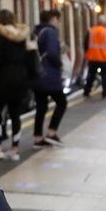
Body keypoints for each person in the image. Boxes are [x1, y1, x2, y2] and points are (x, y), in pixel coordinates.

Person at [0, 9, 30, 161]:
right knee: (16, 115)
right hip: (20, 79)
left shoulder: (0, 36)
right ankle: (15, 150)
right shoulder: (22, 36)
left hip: (3, 80)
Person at [32, 9, 67, 148]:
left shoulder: (36, 31)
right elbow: (52, 53)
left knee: (41, 106)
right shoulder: (51, 32)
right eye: (58, 20)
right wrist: (60, 64)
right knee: (62, 102)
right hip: (49, 75)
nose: (58, 23)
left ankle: (37, 138)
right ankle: (52, 133)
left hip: (37, 75)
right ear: (53, 18)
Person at [83, 15, 106, 98]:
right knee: (104, 76)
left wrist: (87, 53)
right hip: (104, 58)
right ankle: (105, 92)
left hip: (93, 58)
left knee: (91, 76)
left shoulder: (91, 31)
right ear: (104, 23)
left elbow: (85, 43)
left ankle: (86, 91)